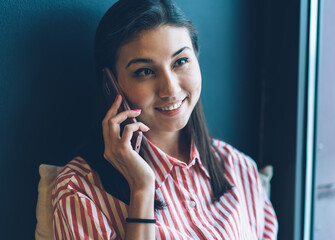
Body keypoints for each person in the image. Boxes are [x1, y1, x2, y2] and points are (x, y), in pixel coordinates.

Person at [51, 0, 278, 239]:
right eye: (145, 71)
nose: (170, 89)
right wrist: (141, 190)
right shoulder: (79, 192)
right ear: (110, 84)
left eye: (180, 62)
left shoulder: (240, 169)